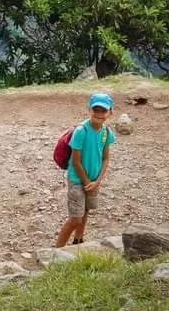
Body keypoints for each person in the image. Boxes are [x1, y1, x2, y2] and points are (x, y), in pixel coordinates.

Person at [55, 92, 115, 247]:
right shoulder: (81, 131)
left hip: (94, 180)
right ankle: (57, 250)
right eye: (96, 110)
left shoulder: (106, 132)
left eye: (104, 111)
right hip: (77, 179)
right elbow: (75, 161)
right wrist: (89, 182)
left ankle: (78, 240)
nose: (100, 114)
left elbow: (106, 158)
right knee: (75, 218)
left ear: (110, 112)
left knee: (86, 210)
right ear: (90, 110)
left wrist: (97, 182)